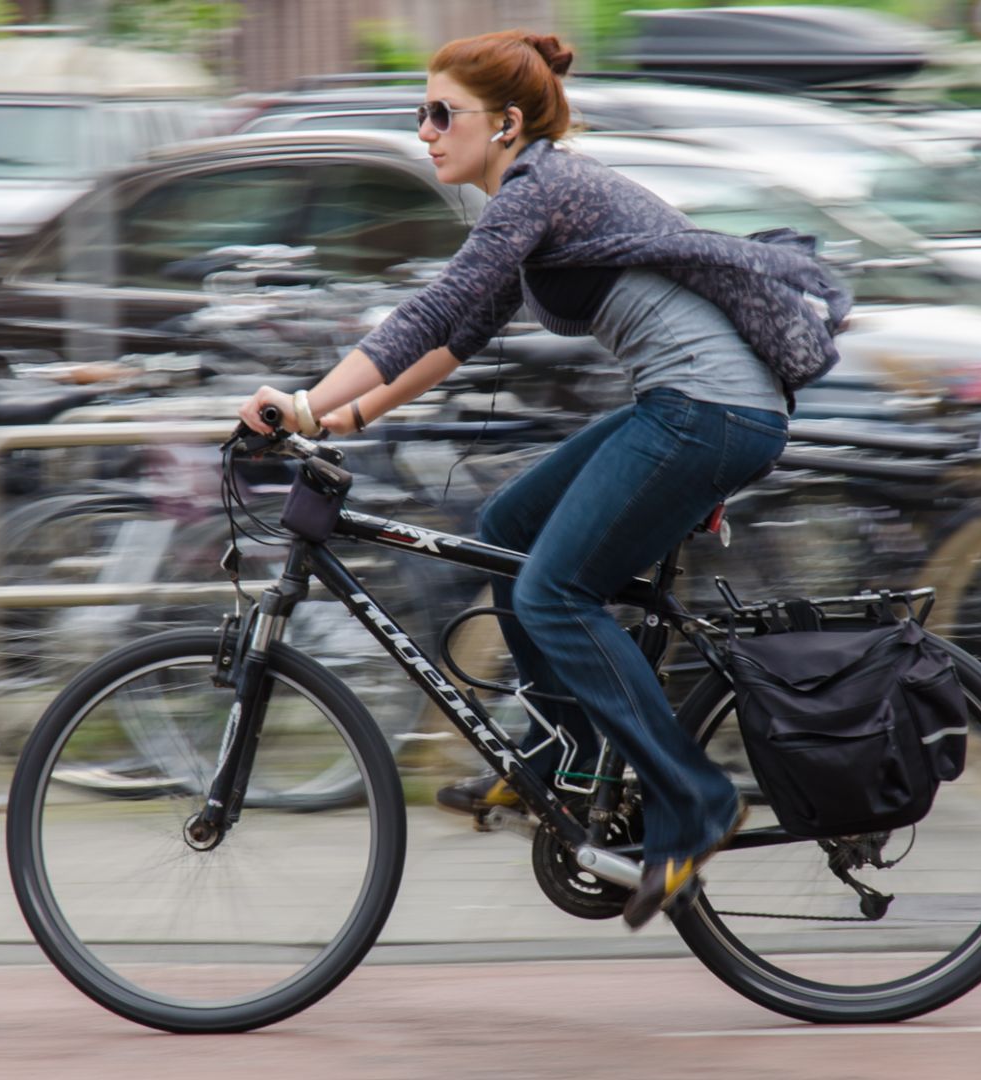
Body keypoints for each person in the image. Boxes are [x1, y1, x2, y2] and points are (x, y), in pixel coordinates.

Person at [236, 29, 849, 928]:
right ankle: (567, 751)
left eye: (443, 114)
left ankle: (695, 798)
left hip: (709, 413)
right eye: (421, 113)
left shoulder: (540, 186)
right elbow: (457, 336)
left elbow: (434, 307)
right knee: (506, 528)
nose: (426, 131)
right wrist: (336, 419)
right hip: (690, 405)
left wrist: (301, 396)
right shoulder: (532, 198)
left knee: (556, 593)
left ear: (509, 123)